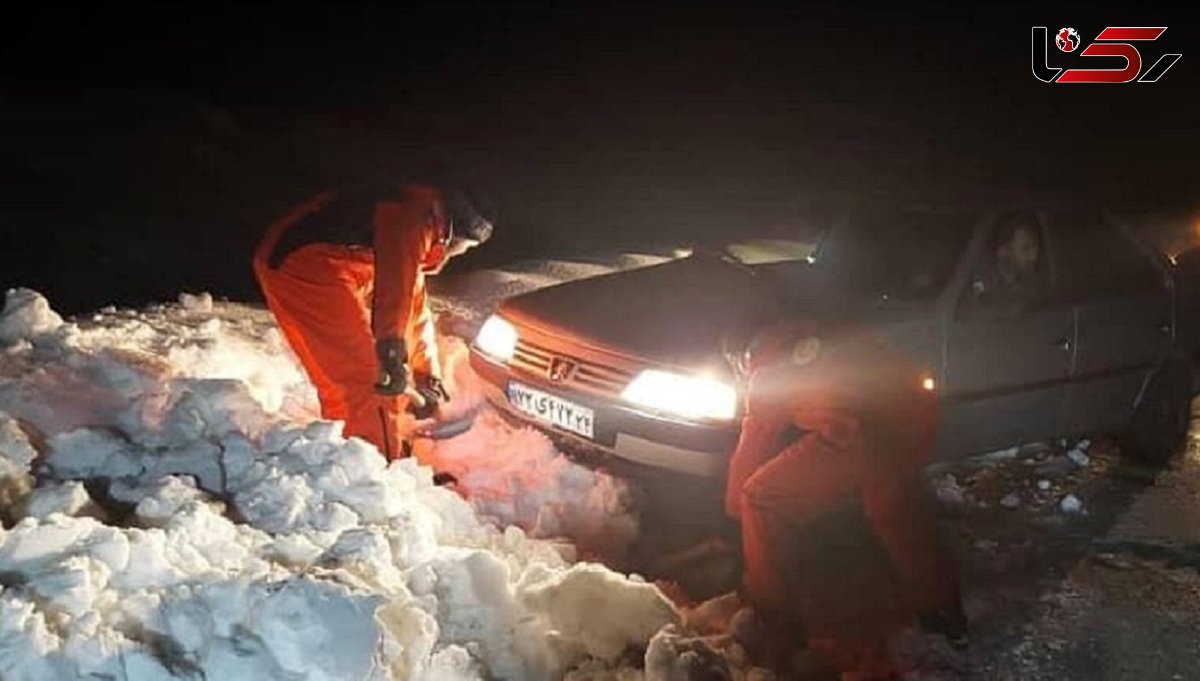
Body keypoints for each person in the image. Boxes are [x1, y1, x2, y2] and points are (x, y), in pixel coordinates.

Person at [725, 321, 965, 679]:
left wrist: (732, 509)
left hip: (857, 433)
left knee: (757, 498)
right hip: (908, 420)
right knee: (895, 515)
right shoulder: (813, 337)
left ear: (742, 358)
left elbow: (754, 443)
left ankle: (777, 622)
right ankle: (945, 616)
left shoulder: (766, 374)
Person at [252, 174, 494, 460]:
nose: (457, 256)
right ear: (455, 230)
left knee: (355, 378)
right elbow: (395, 289)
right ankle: (378, 468)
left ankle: (353, 450)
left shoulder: (421, 213)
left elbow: (414, 305)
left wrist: (426, 373)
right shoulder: (412, 216)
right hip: (306, 266)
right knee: (367, 379)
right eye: (463, 248)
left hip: (333, 264)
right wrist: (390, 351)